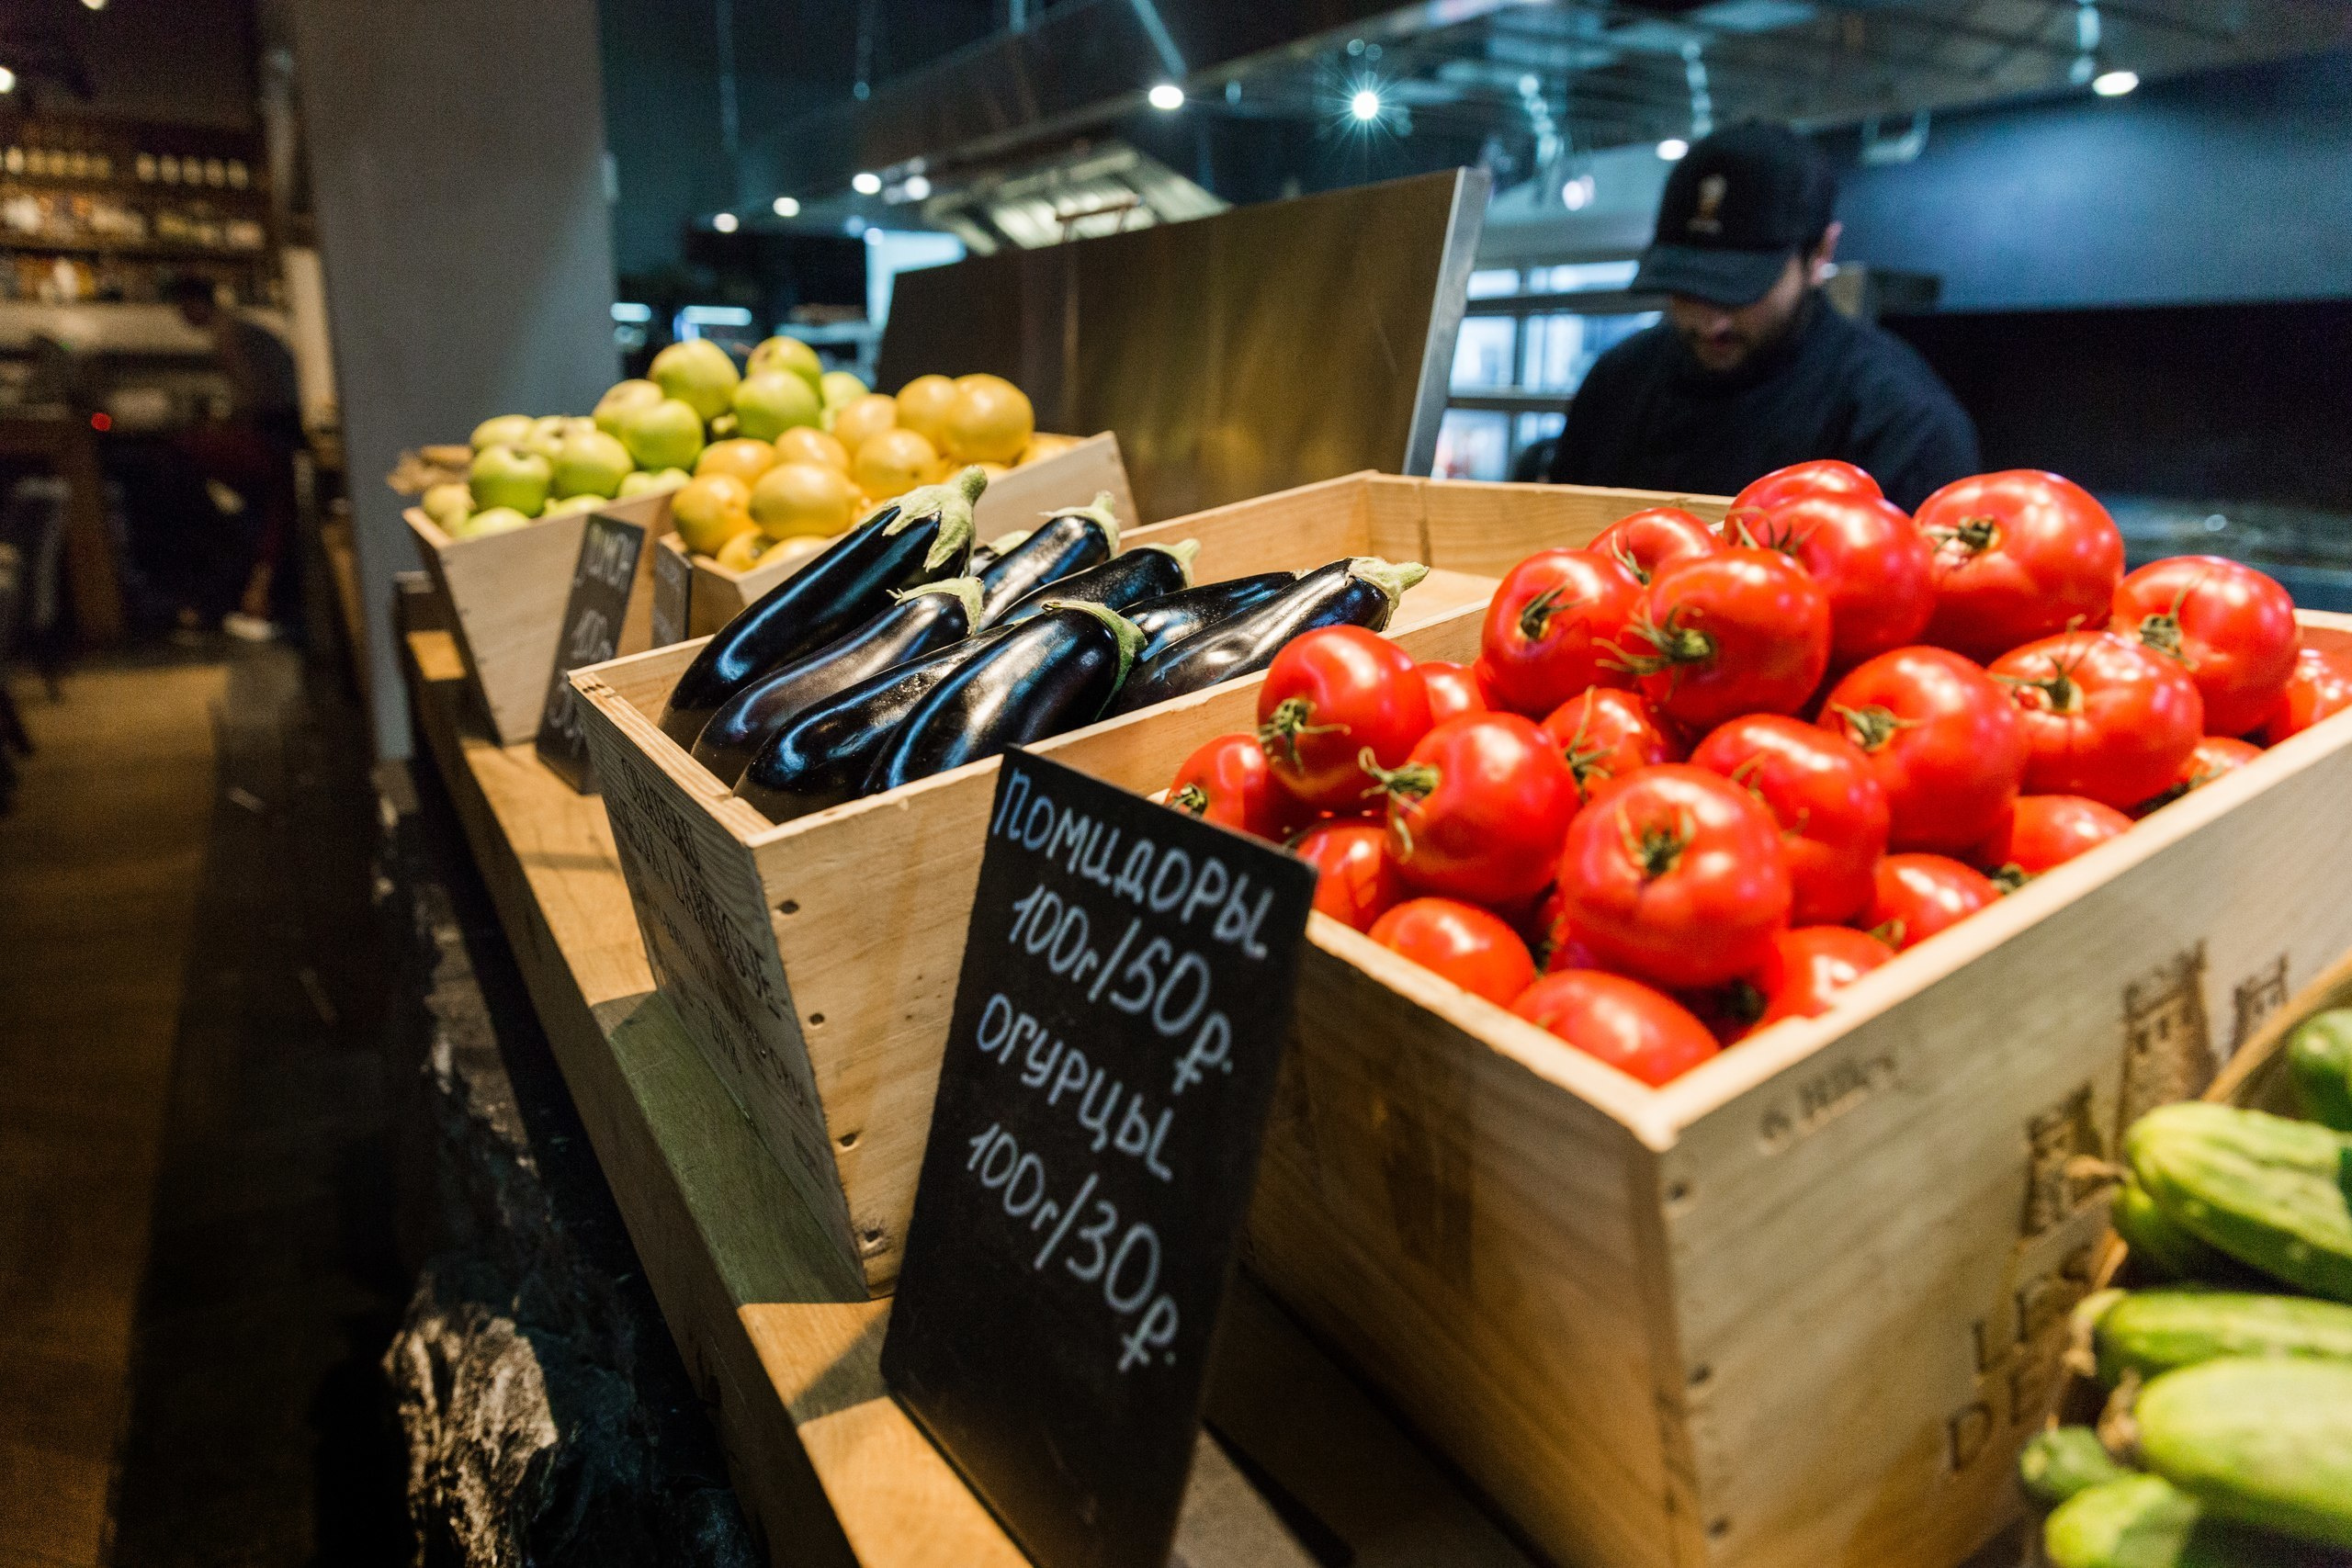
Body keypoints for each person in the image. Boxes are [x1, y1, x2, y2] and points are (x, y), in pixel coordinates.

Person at [1546, 122, 1978, 513]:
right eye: (1685, 289)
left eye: (1739, 290)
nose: (1709, 322)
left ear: (1820, 254)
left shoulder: (1899, 420)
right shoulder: (1618, 383)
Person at [166, 275, 303, 639]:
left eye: (182, 307)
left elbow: (258, 398)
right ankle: (239, 588)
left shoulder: (229, 333)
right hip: (277, 435)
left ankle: (217, 595)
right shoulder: (236, 328)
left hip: (276, 433)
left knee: (180, 465)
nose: (181, 316)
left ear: (196, 303)